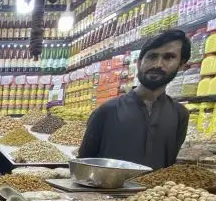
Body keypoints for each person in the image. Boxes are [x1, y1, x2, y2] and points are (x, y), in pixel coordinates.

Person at [78, 29, 191, 170]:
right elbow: (83, 165)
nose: (158, 64)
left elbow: (169, 166)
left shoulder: (180, 115)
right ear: (139, 63)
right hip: (107, 192)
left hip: (155, 192)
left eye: (168, 57)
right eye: (152, 56)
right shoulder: (108, 110)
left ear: (181, 64)